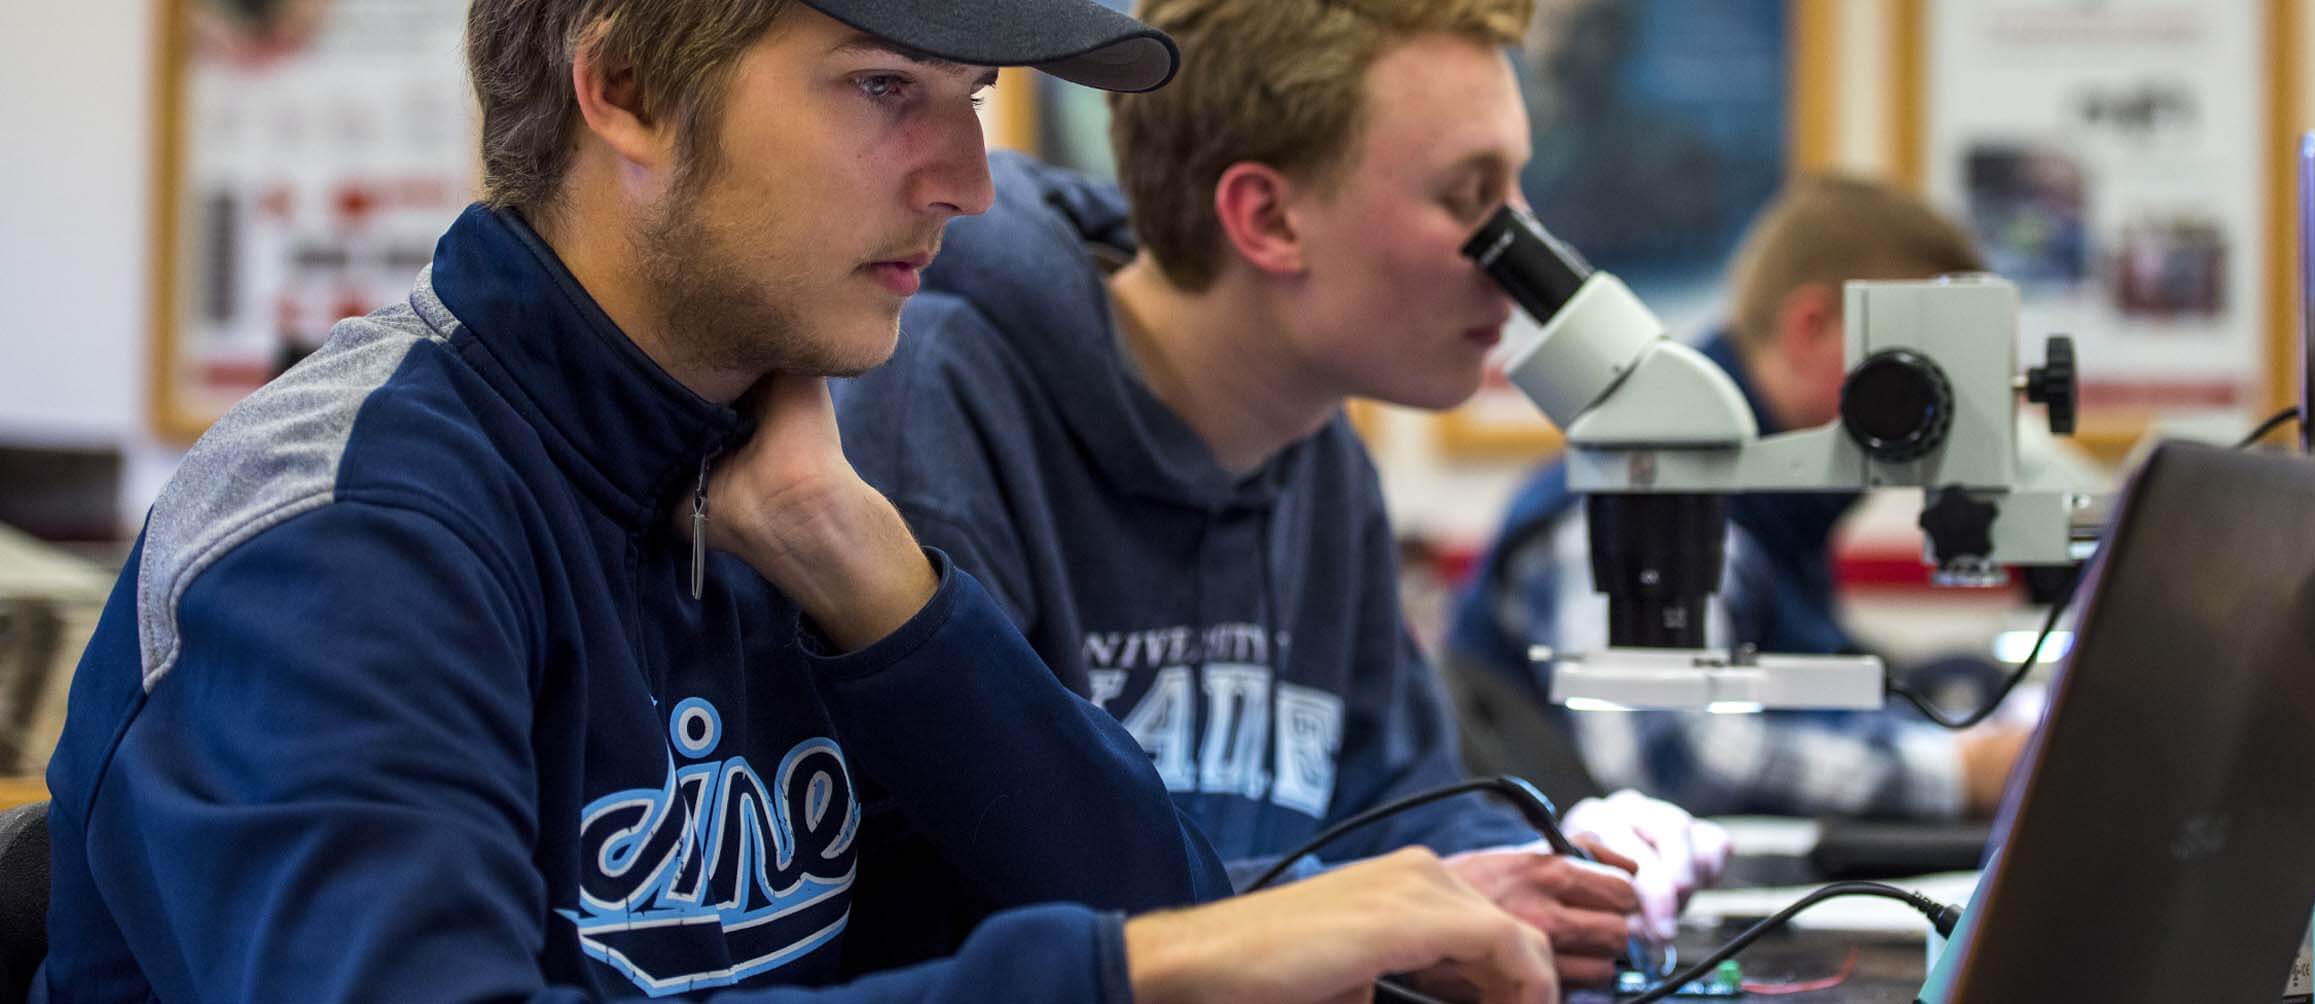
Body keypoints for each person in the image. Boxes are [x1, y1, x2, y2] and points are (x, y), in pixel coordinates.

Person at [41, 2, 1562, 1002]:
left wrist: (892, 600)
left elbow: (1158, 911)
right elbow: (1161, 956)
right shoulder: (345, 535)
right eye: (886, 88)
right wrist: (1129, 975)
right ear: (627, 86)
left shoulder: (794, 492)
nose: (969, 181)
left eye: (972, 98)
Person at [831, 0, 1726, 988]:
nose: (1519, 268)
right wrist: (1385, 916)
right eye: (1471, 198)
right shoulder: (934, 407)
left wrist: (1554, 865)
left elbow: (1407, 803)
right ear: (1266, 218)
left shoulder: (1318, 450)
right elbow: (978, 912)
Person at [1444, 174, 2037, 822]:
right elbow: (1669, 761)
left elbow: (1809, 692)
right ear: (1810, 327)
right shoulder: (1645, 498)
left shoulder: (1778, 507)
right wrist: (1958, 773)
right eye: (1927, 364)